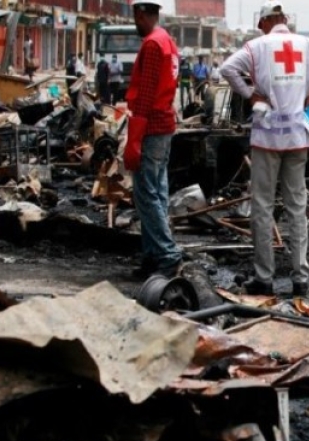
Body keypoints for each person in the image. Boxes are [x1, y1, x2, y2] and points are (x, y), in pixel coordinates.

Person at [220, 0, 309, 296]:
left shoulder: (258, 46)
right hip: (298, 138)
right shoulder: (307, 45)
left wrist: (251, 94)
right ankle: (300, 277)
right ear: (284, 19)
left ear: (264, 22)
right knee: (297, 207)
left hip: (266, 138)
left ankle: (264, 277)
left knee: (262, 207)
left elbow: (227, 69)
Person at [124, 0, 183, 278]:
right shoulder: (168, 41)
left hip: (151, 127)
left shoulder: (151, 44)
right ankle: (152, 257)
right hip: (165, 125)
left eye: (135, 15)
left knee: (146, 194)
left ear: (140, 13)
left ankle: (167, 253)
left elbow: (145, 95)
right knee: (157, 192)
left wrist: (134, 138)